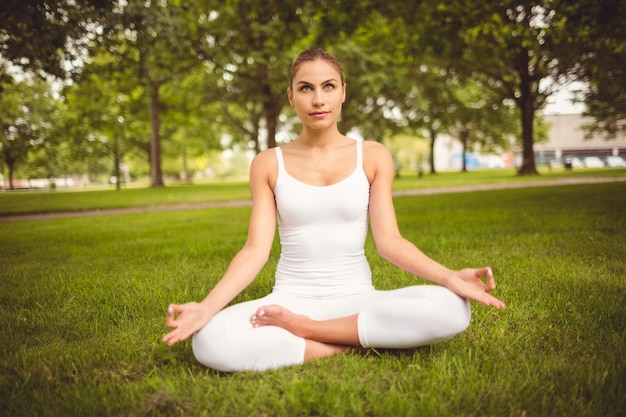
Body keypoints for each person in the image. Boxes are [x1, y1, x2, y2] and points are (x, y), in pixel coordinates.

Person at [162, 49, 505, 372]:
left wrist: (449, 277)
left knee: (453, 309)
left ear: (343, 92)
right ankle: (353, 343)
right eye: (306, 88)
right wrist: (207, 307)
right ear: (291, 96)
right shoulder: (268, 163)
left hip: (357, 299)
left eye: (328, 86)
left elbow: (390, 242)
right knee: (208, 341)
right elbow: (255, 250)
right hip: (290, 300)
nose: (318, 99)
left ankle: (309, 331)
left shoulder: (372, 156)